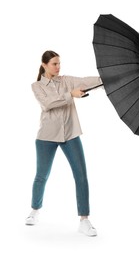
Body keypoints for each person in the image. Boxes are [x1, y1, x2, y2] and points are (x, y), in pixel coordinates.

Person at [25, 50, 102, 237]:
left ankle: (84, 220)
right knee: (41, 176)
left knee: (81, 176)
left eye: (59, 63)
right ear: (44, 65)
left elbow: (86, 80)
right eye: (54, 64)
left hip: (71, 134)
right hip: (46, 136)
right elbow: (48, 104)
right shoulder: (36, 86)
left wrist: (107, 78)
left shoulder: (66, 80)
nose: (58, 67)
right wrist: (71, 95)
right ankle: (35, 210)